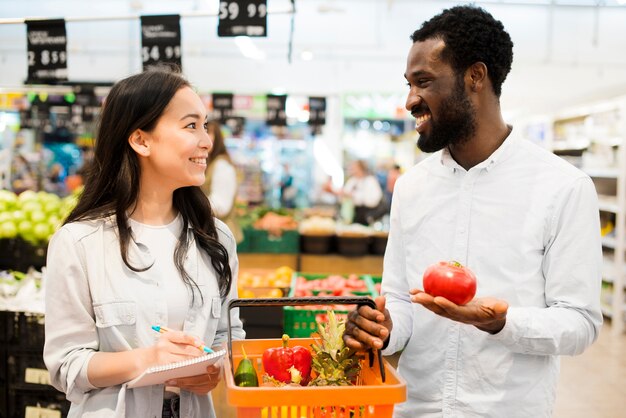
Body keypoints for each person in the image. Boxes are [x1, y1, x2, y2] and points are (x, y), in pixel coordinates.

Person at [343, 5, 602, 418]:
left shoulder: (562, 188)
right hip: (416, 408)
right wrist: (385, 328)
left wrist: (502, 322)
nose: (411, 100)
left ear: (475, 77)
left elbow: (580, 323)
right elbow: (401, 299)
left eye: (423, 82)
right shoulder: (412, 188)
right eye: (409, 84)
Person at [43, 67, 245, 418]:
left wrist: (213, 368)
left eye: (205, 125)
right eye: (191, 125)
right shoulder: (80, 242)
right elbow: (66, 365)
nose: (207, 141)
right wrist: (147, 360)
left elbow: (230, 334)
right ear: (141, 140)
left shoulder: (216, 238)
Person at [200, 121, 243, 243]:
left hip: (220, 235)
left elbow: (221, 205)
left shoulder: (221, 165)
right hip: (212, 233)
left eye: (207, 132)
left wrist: (193, 205)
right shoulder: (210, 163)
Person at [341, 159, 385, 225]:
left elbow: (373, 201)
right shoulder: (352, 181)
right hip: (353, 215)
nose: (351, 169)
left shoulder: (371, 181)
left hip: (366, 216)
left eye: (354, 167)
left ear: (361, 168)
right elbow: (344, 194)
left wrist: (353, 196)